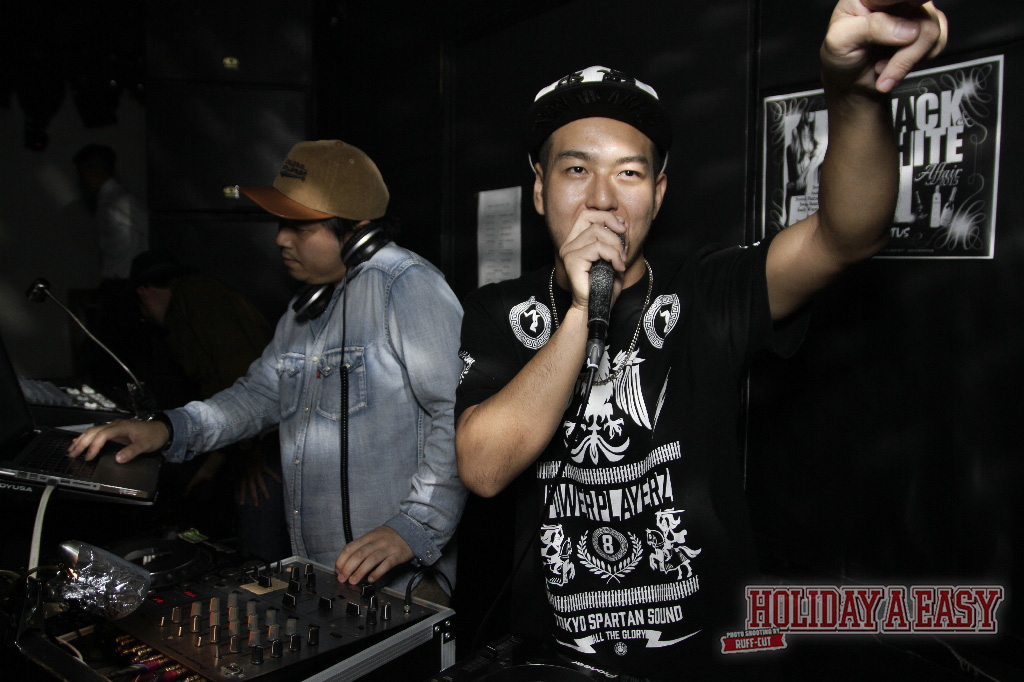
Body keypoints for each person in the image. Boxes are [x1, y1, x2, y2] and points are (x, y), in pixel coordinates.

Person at [454, 2, 947, 679]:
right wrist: (581, 311)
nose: (603, 198)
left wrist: (854, 92)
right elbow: (483, 468)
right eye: (576, 170)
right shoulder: (500, 311)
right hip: (559, 661)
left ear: (658, 193)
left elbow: (848, 234)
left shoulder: (706, 290)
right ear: (539, 190)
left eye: (629, 172)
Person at [70, 140, 467, 601]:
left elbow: (458, 414)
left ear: (357, 231)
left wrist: (414, 526)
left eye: (300, 226)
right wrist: (165, 429)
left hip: (402, 581)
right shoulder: (302, 312)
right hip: (324, 575)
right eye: (282, 223)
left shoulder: (407, 285)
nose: (281, 238)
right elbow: (257, 395)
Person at [130, 249, 289, 560]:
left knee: (259, 524)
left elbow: (246, 379)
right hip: (253, 438)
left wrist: (250, 454)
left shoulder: (195, 294)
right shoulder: (195, 299)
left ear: (144, 291)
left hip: (265, 440)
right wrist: (213, 465)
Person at [73, 144, 149, 283]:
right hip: (118, 280)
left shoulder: (121, 201)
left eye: (82, 174)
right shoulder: (110, 201)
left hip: (126, 281)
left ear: (92, 170)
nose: (81, 181)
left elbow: (151, 231)